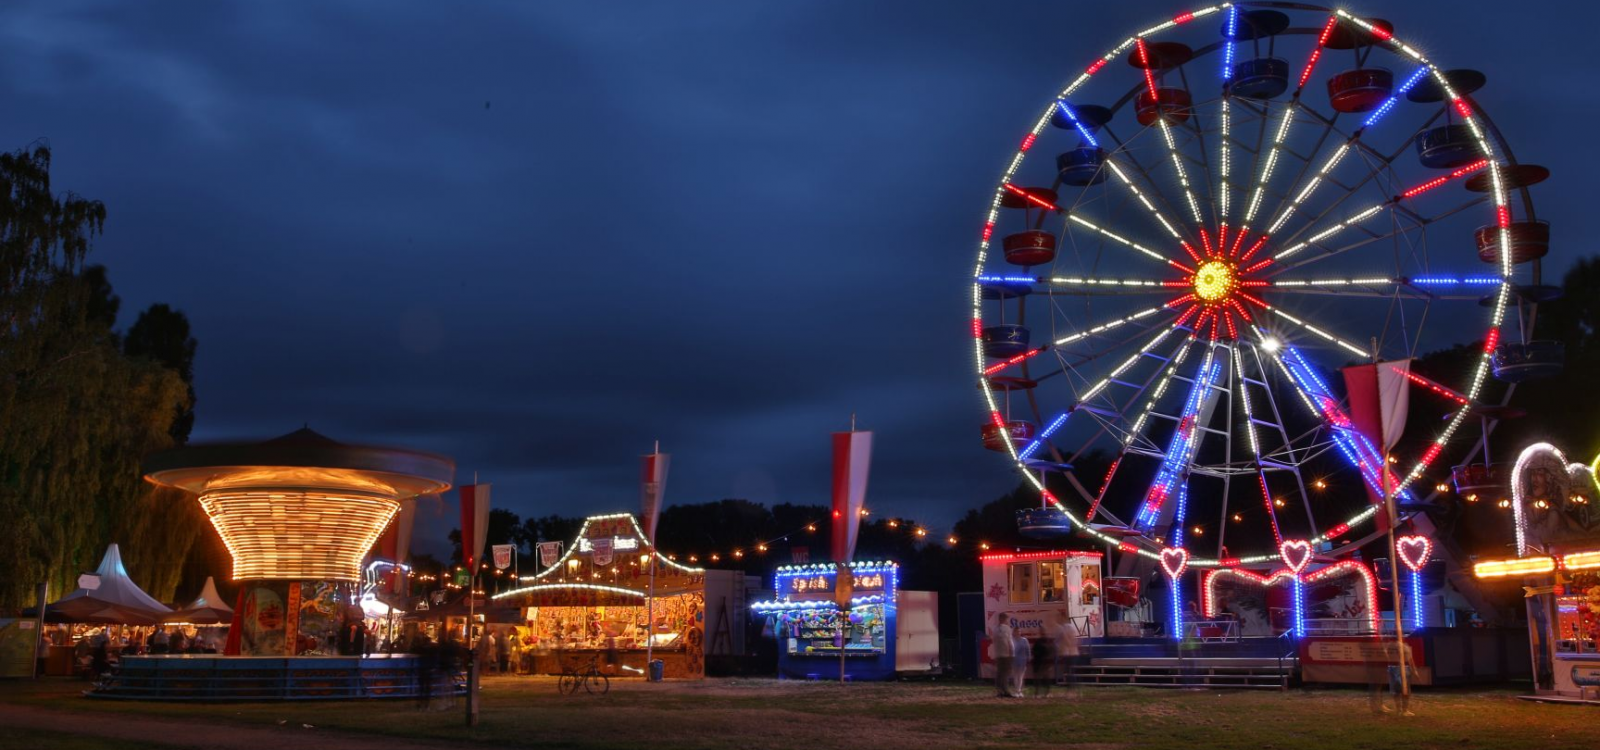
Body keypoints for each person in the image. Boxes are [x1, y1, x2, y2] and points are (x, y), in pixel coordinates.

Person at [1053, 611, 1081, 698]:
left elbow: (1065, 639)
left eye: (1059, 617)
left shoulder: (1065, 628)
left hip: (1069, 653)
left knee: (1069, 672)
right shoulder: (1067, 627)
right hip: (1070, 652)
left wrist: (1068, 645)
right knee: (1069, 672)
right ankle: (1072, 690)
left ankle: (1072, 691)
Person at [990, 612, 1014, 698]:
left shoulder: (997, 629)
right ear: (1002, 619)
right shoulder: (1002, 628)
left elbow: (1006, 640)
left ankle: (1002, 690)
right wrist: (1011, 651)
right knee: (1003, 673)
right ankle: (1003, 690)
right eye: (1005, 619)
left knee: (1002, 673)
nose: (1006, 621)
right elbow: (1009, 641)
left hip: (1001, 654)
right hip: (1003, 654)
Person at [1010, 627, 1030, 698]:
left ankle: (1019, 691)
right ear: (1014, 632)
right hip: (1014, 661)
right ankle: (1016, 691)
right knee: (1015, 676)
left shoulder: (1024, 640)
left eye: (1019, 631)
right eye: (1016, 631)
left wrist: (1028, 657)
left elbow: (1028, 649)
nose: (1018, 633)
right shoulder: (1012, 640)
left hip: (1022, 661)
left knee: (1020, 677)